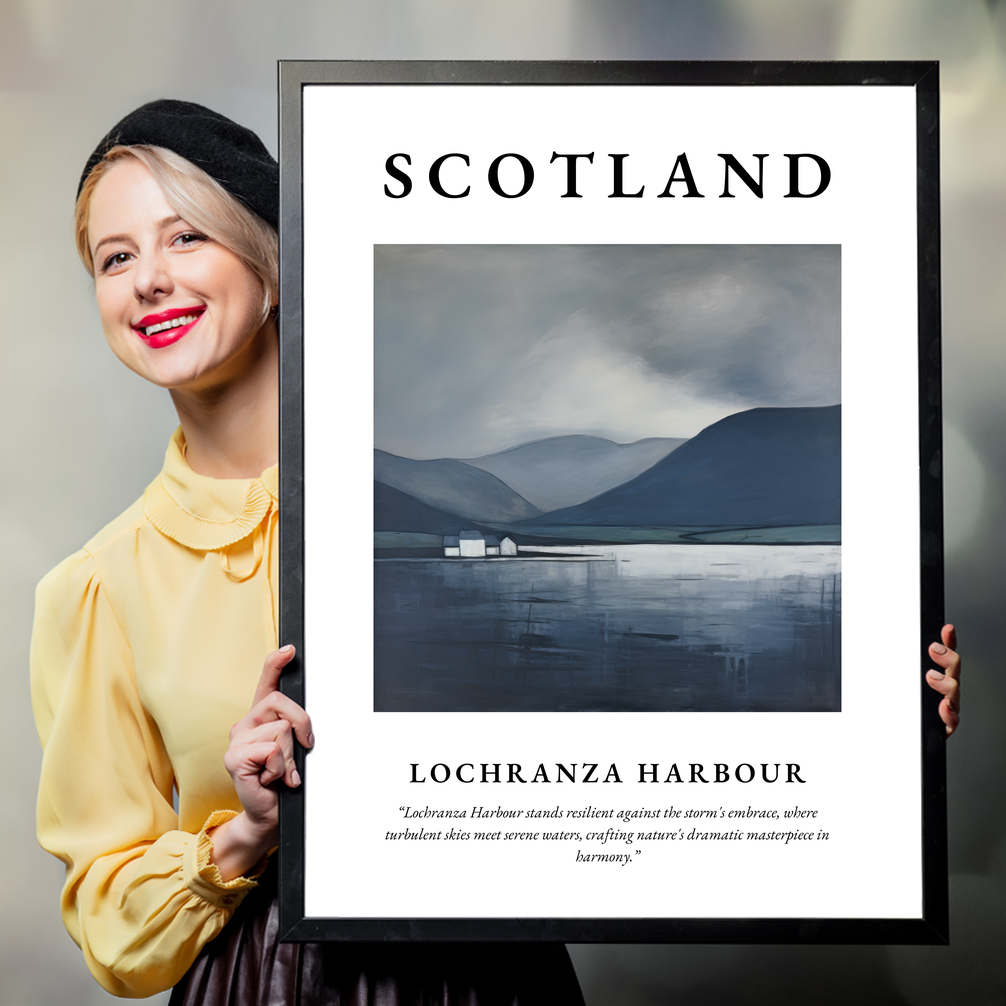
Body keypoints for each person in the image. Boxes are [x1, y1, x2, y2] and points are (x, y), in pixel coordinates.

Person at [30, 100, 585, 1004]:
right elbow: (110, 924)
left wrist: (890, 709)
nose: (148, 281)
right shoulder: (97, 587)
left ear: (273, 264)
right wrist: (244, 832)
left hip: (493, 974)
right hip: (263, 982)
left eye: (186, 239)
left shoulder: (460, 508)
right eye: (116, 257)